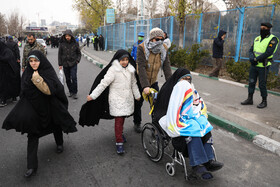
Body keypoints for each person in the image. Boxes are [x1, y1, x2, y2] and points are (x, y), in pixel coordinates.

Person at [2, 50, 77, 178]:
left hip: (49, 106)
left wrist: (37, 80)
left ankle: (59, 143)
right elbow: (24, 90)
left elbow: (52, 89)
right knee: (33, 134)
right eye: (31, 61)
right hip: (35, 109)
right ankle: (31, 166)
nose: (33, 64)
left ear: (41, 60)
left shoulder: (47, 71)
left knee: (56, 125)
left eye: (36, 60)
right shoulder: (27, 73)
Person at [154, 68, 223, 180]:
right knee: (193, 132)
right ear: (178, 79)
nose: (186, 81)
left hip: (188, 117)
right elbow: (165, 110)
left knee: (204, 128)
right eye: (184, 79)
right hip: (169, 117)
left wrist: (195, 114)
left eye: (188, 79)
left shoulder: (190, 88)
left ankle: (209, 160)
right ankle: (198, 165)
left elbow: (196, 102)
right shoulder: (169, 89)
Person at [79, 49, 141, 155]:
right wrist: (92, 96)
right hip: (116, 99)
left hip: (127, 99)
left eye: (127, 59)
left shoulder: (131, 70)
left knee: (123, 118)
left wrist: (137, 95)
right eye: (122, 60)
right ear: (117, 60)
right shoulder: (113, 70)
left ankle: (120, 134)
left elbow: (134, 84)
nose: (125, 62)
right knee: (119, 120)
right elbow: (103, 84)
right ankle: (119, 142)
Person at [135, 27, 172, 132]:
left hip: (154, 81)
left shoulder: (164, 48)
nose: (160, 42)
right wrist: (145, 86)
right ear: (151, 39)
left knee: (157, 105)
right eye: (157, 39)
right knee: (138, 103)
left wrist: (171, 83)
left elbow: (166, 66)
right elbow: (141, 67)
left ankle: (155, 126)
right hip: (141, 81)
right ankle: (137, 122)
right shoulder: (141, 48)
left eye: (161, 39)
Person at [241, 23, 279, 109]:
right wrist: (252, 58)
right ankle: (250, 99)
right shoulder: (257, 38)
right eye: (261, 28)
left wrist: (256, 59)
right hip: (254, 65)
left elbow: (268, 52)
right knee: (251, 82)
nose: (262, 29)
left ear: (269, 29)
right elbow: (251, 50)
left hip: (263, 65)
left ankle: (264, 101)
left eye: (264, 28)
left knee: (262, 84)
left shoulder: (273, 39)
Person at [58, 29, 81, 99]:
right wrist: (60, 64)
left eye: (69, 36)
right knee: (67, 78)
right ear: (64, 36)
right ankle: (71, 91)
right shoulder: (61, 44)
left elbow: (79, 53)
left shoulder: (75, 43)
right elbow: (59, 54)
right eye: (66, 36)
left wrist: (77, 60)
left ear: (71, 36)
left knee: (74, 78)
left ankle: (75, 92)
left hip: (73, 63)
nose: (67, 37)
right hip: (65, 64)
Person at [0, 41, 21, 106]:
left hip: (9, 71)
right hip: (3, 72)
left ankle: (4, 100)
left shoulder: (7, 51)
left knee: (5, 86)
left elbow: (6, 58)